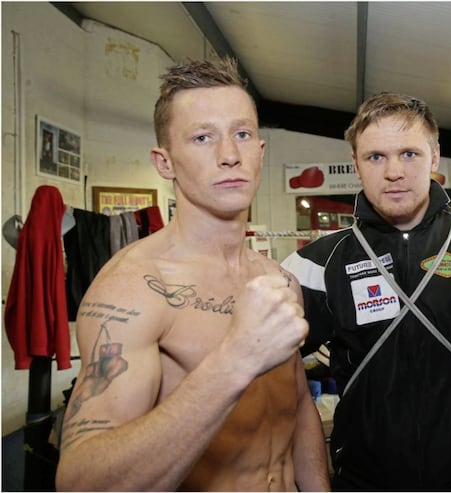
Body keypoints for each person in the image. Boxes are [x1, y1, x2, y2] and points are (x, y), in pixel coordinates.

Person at [55, 57, 330, 492]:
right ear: (164, 163)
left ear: (259, 152)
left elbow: (296, 408)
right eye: (203, 138)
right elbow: (82, 483)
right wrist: (234, 361)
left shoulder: (278, 280)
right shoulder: (136, 287)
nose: (228, 155)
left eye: (241, 134)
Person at [282, 92, 451, 490]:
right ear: (356, 165)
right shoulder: (316, 265)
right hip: (362, 481)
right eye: (376, 157)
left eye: (409, 154)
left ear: (434, 158)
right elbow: (271, 377)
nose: (394, 172)